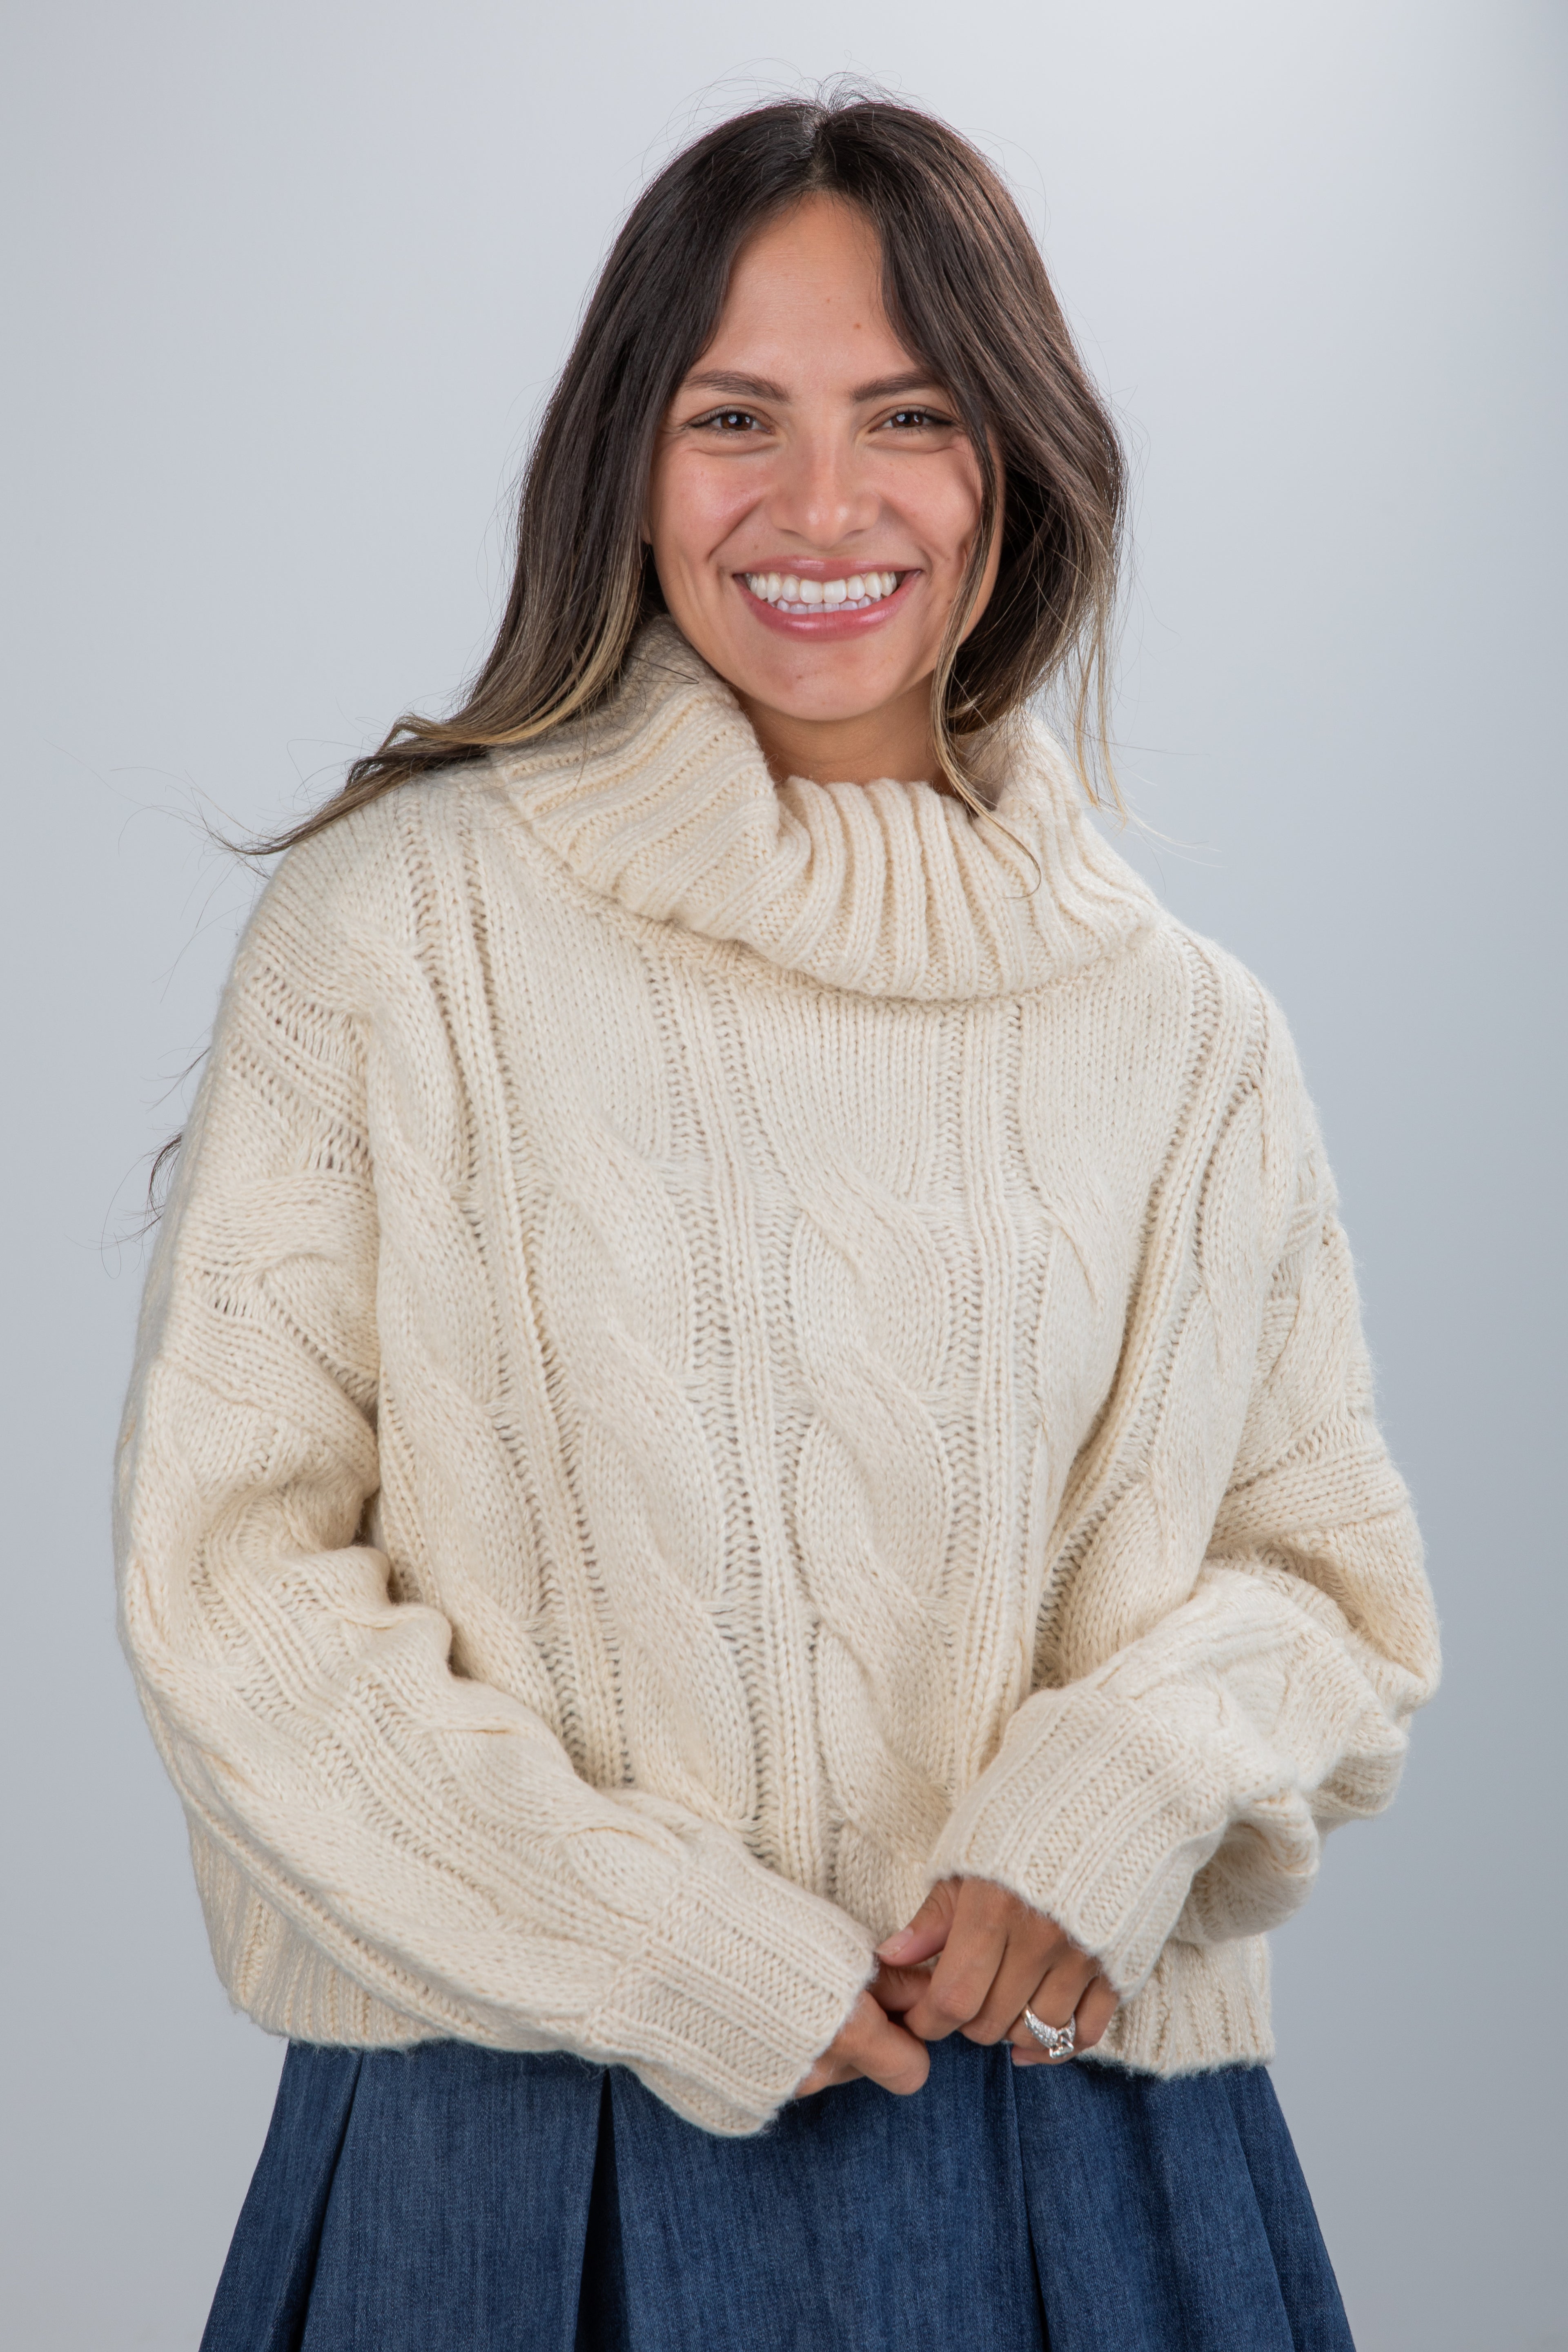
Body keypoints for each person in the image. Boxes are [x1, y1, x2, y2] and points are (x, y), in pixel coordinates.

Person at [115, 94, 1440, 2352]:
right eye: (738, 417)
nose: (824, 506)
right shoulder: (397, 934)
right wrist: (664, 1947)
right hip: (519, 2154)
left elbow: (1328, 1595)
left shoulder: (1189, 1034)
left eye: (909, 419)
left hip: (1082, 2150)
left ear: (1012, 468)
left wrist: (1109, 1803)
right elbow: (229, 1584)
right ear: (629, 456)